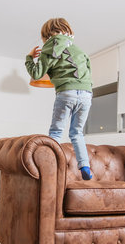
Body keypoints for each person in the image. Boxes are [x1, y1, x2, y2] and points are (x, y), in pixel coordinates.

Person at [25, 18, 94, 180]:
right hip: (86, 94)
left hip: (66, 92)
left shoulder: (51, 45)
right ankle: (85, 166)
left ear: (46, 35)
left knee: (56, 132)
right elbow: (88, 71)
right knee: (77, 133)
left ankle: (49, 168)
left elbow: (36, 73)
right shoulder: (79, 49)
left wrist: (29, 58)